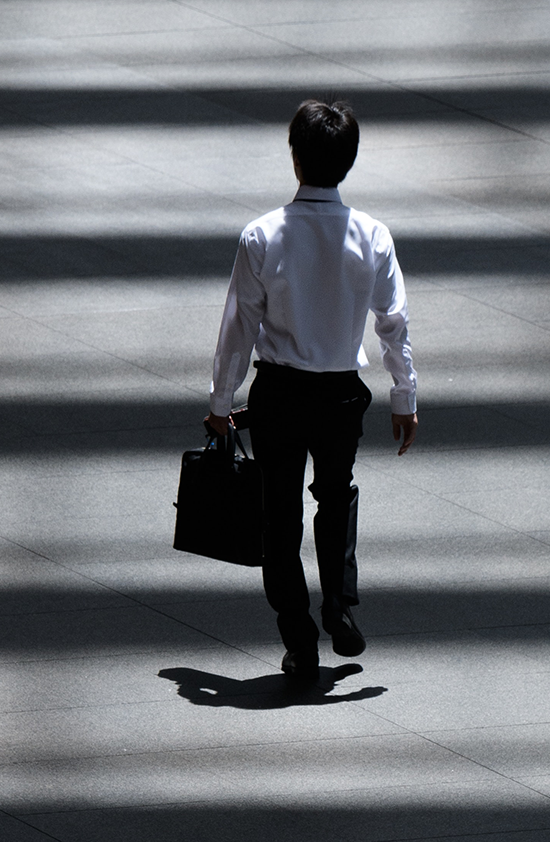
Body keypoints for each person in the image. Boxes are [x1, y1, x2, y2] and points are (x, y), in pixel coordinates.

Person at [205, 99, 419, 681]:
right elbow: (392, 323)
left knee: (280, 516)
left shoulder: (262, 235)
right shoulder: (372, 235)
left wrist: (222, 404)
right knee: (337, 495)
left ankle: (299, 639)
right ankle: (340, 607)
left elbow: (238, 327)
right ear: (348, 162)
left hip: (278, 392)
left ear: (295, 157)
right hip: (340, 395)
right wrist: (404, 396)